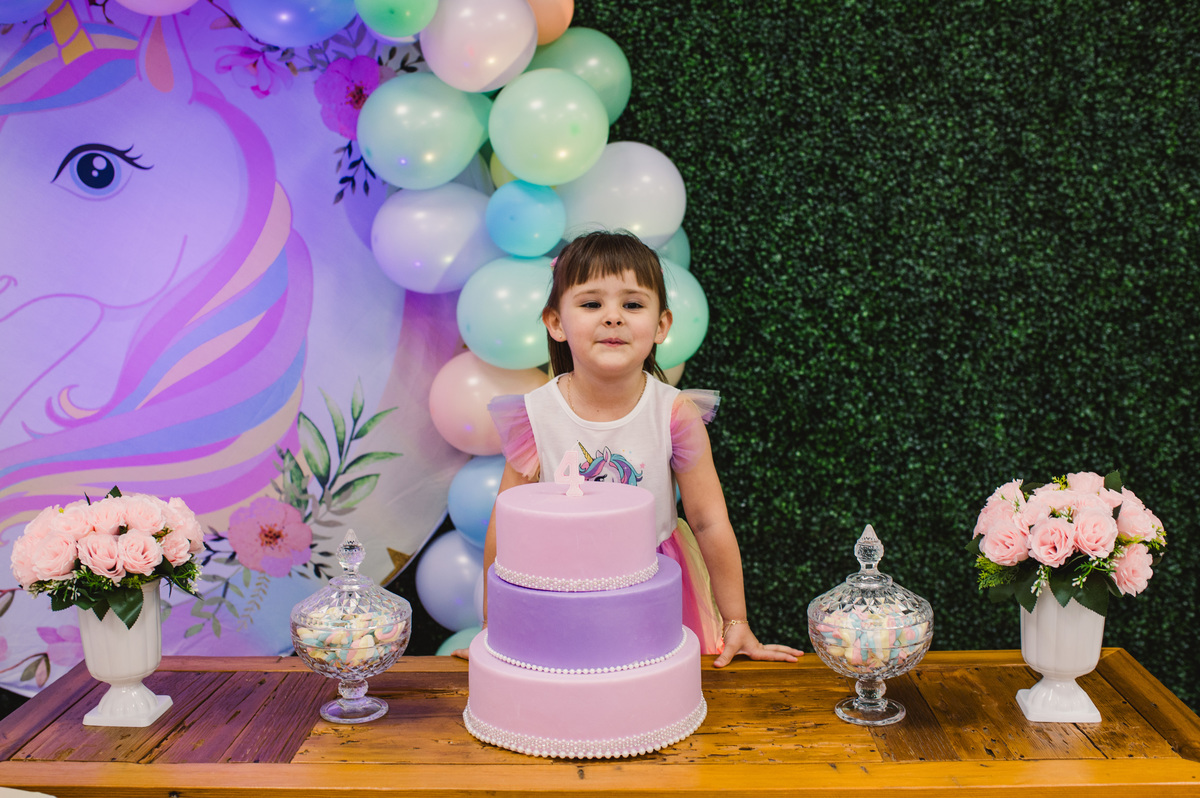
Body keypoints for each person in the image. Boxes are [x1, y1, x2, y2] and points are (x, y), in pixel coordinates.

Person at [458, 230, 801, 667]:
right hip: (559, 585)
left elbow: (709, 521)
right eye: (591, 303)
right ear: (556, 322)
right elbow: (505, 526)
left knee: (645, 688)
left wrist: (736, 621)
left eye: (633, 304)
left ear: (661, 326)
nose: (613, 317)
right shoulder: (535, 415)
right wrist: (495, 626)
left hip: (651, 583)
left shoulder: (674, 413)